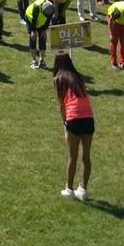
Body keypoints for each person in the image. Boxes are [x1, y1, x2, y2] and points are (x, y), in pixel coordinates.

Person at [53, 52, 94, 201]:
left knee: (73, 156)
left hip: (73, 119)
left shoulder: (58, 79)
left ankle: (69, 189)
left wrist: (65, 124)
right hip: (88, 118)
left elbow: (61, 106)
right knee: (86, 157)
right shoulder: (79, 77)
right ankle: (83, 190)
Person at [25, 0, 54, 69]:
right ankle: (34, 61)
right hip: (30, 18)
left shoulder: (51, 9)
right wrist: (33, 31)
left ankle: (42, 61)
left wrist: (44, 30)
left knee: (43, 38)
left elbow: (48, 20)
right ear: (41, 9)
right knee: (33, 39)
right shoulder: (36, 8)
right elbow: (33, 21)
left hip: (41, 21)